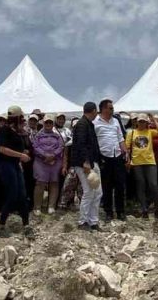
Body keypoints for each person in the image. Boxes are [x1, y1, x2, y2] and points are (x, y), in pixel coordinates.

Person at [0, 105, 33, 237]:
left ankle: (26, 225)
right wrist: (21, 155)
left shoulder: (17, 132)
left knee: (22, 194)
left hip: (15, 164)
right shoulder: (4, 130)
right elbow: (2, 149)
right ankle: (1, 225)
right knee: (12, 194)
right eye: (21, 117)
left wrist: (23, 152)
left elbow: (18, 148)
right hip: (6, 164)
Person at [124, 113, 158, 220]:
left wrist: (154, 120)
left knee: (153, 185)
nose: (141, 123)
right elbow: (127, 148)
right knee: (140, 186)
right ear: (137, 122)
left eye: (144, 122)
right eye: (140, 121)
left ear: (147, 123)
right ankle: (144, 209)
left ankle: (156, 208)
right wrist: (128, 160)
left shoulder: (150, 132)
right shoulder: (131, 133)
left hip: (150, 161)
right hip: (137, 162)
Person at [94, 98, 127, 221]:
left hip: (117, 155)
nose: (113, 110)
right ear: (103, 109)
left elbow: (120, 138)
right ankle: (108, 212)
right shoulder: (95, 122)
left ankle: (120, 211)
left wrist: (125, 152)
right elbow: (93, 140)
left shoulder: (116, 121)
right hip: (104, 157)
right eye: (111, 108)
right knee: (106, 186)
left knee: (120, 185)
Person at [72, 101, 103, 230]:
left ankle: (93, 221)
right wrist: (85, 161)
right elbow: (80, 144)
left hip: (91, 162)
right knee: (89, 191)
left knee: (97, 192)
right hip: (84, 163)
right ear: (94, 111)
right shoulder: (82, 125)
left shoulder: (88, 124)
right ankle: (83, 221)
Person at [32, 114, 65, 214]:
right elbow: (35, 147)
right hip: (41, 162)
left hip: (55, 161)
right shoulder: (38, 135)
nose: (48, 124)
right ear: (43, 123)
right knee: (40, 183)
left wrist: (53, 155)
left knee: (54, 183)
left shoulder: (57, 135)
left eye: (50, 122)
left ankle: (51, 206)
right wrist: (45, 155)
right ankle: (37, 207)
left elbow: (61, 146)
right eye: (47, 122)